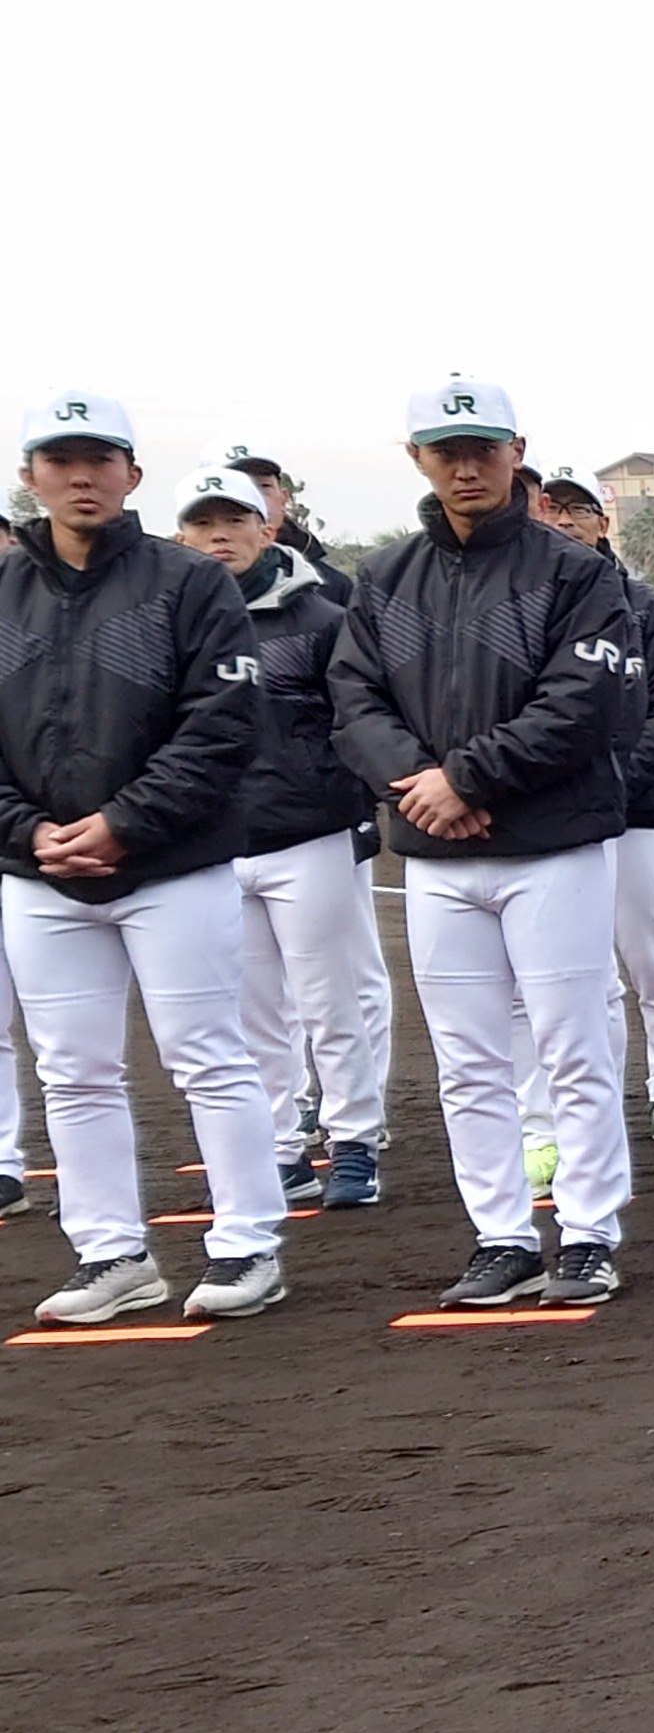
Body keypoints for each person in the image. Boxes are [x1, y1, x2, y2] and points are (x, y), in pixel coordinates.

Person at [332, 377, 641, 1309]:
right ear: (416, 458)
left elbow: (583, 703)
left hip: (550, 847)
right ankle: (501, 1234)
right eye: (444, 449)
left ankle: (587, 1231)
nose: (465, 465)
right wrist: (426, 789)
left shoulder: (574, 571)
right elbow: (353, 699)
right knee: (467, 1061)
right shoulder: (384, 577)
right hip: (438, 857)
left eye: (482, 447)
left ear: (516, 451)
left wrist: (466, 778)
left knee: (572, 1046)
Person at [1, 400, 290, 1321]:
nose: (80, 477)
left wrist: (127, 821)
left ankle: (247, 1244)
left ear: (131, 474)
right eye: (60, 460)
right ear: (30, 475)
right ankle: (111, 1252)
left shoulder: (186, 583)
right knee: (73, 1071)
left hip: (172, 866)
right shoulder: (3, 594)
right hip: (39, 873)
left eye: (99, 459)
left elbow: (223, 724)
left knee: (209, 1057)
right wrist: (26, 833)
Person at [174, 466, 395, 1212]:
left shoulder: (321, 616)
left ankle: (356, 1143)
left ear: (265, 527)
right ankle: (282, 1149)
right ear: (181, 535)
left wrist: (358, 808)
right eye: (202, 525)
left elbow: (359, 717)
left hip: (308, 835)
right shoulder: (176, 621)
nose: (218, 537)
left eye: (232, 521)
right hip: (216, 844)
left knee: (329, 1004)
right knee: (253, 1013)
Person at [540, 467, 654, 1140]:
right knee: (574, 969)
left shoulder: (650, 611)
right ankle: (593, 1093)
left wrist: (616, 784)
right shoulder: (531, 607)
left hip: (631, 815)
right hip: (555, 824)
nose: (565, 522)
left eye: (579, 510)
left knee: (648, 958)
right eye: (553, 510)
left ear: (603, 523)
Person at [219, 439, 341, 578]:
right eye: (236, 487)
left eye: (263, 486)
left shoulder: (330, 585)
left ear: (284, 498)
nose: (254, 498)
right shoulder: (191, 583)